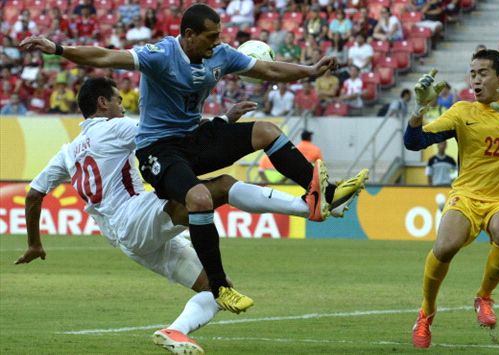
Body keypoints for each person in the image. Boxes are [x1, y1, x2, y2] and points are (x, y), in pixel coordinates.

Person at [20, 3, 367, 316]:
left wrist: (309, 70)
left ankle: (322, 194)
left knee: (265, 131)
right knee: (200, 197)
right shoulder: (160, 55)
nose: (217, 43)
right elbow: (106, 57)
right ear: (188, 35)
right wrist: (58, 49)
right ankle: (219, 286)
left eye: (219, 36)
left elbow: (270, 71)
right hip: (159, 150)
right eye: (211, 37)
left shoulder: (222, 55)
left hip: (193, 140)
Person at [15, 77, 362, 354]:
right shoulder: (114, 128)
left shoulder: (66, 152)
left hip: (129, 239)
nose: (124, 106)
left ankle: (175, 332)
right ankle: (310, 206)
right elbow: (171, 136)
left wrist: (34, 243)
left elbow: (33, 196)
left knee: (217, 291)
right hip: (136, 217)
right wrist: (224, 121)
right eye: (120, 100)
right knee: (221, 186)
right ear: (103, 103)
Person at [404, 50, 499, 348]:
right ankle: (426, 313)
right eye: (472, 73)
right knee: (445, 247)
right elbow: (414, 142)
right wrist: (419, 109)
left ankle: (484, 297)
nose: (475, 79)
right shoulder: (462, 111)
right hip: (466, 196)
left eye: (483, 73)